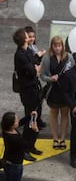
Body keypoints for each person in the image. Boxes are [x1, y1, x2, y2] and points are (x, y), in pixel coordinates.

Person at [40, 36, 74, 150]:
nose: (57, 48)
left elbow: (74, 72)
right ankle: (55, 138)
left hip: (65, 90)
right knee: (54, 114)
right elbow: (42, 75)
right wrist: (51, 79)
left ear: (62, 46)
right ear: (52, 46)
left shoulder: (69, 57)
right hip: (53, 90)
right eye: (55, 46)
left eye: (59, 46)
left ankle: (63, 138)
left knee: (65, 115)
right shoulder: (47, 58)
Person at [13, 28, 42, 162]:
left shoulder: (27, 51)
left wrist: (36, 63)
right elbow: (32, 70)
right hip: (28, 91)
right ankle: (24, 149)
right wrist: (35, 67)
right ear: (24, 39)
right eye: (27, 36)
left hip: (35, 89)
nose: (30, 38)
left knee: (37, 118)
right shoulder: (20, 55)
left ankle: (31, 145)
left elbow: (35, 62)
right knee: (31, 119)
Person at [1, 111, 39, 181]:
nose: (18, 120)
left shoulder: (7, 130)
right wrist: (35, 131)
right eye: (16, 120)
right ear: (11, 124)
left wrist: (29, 116)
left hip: (8, 161)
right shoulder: (14, 139)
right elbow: (28, 145)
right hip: (15, 165)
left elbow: (20, 122)